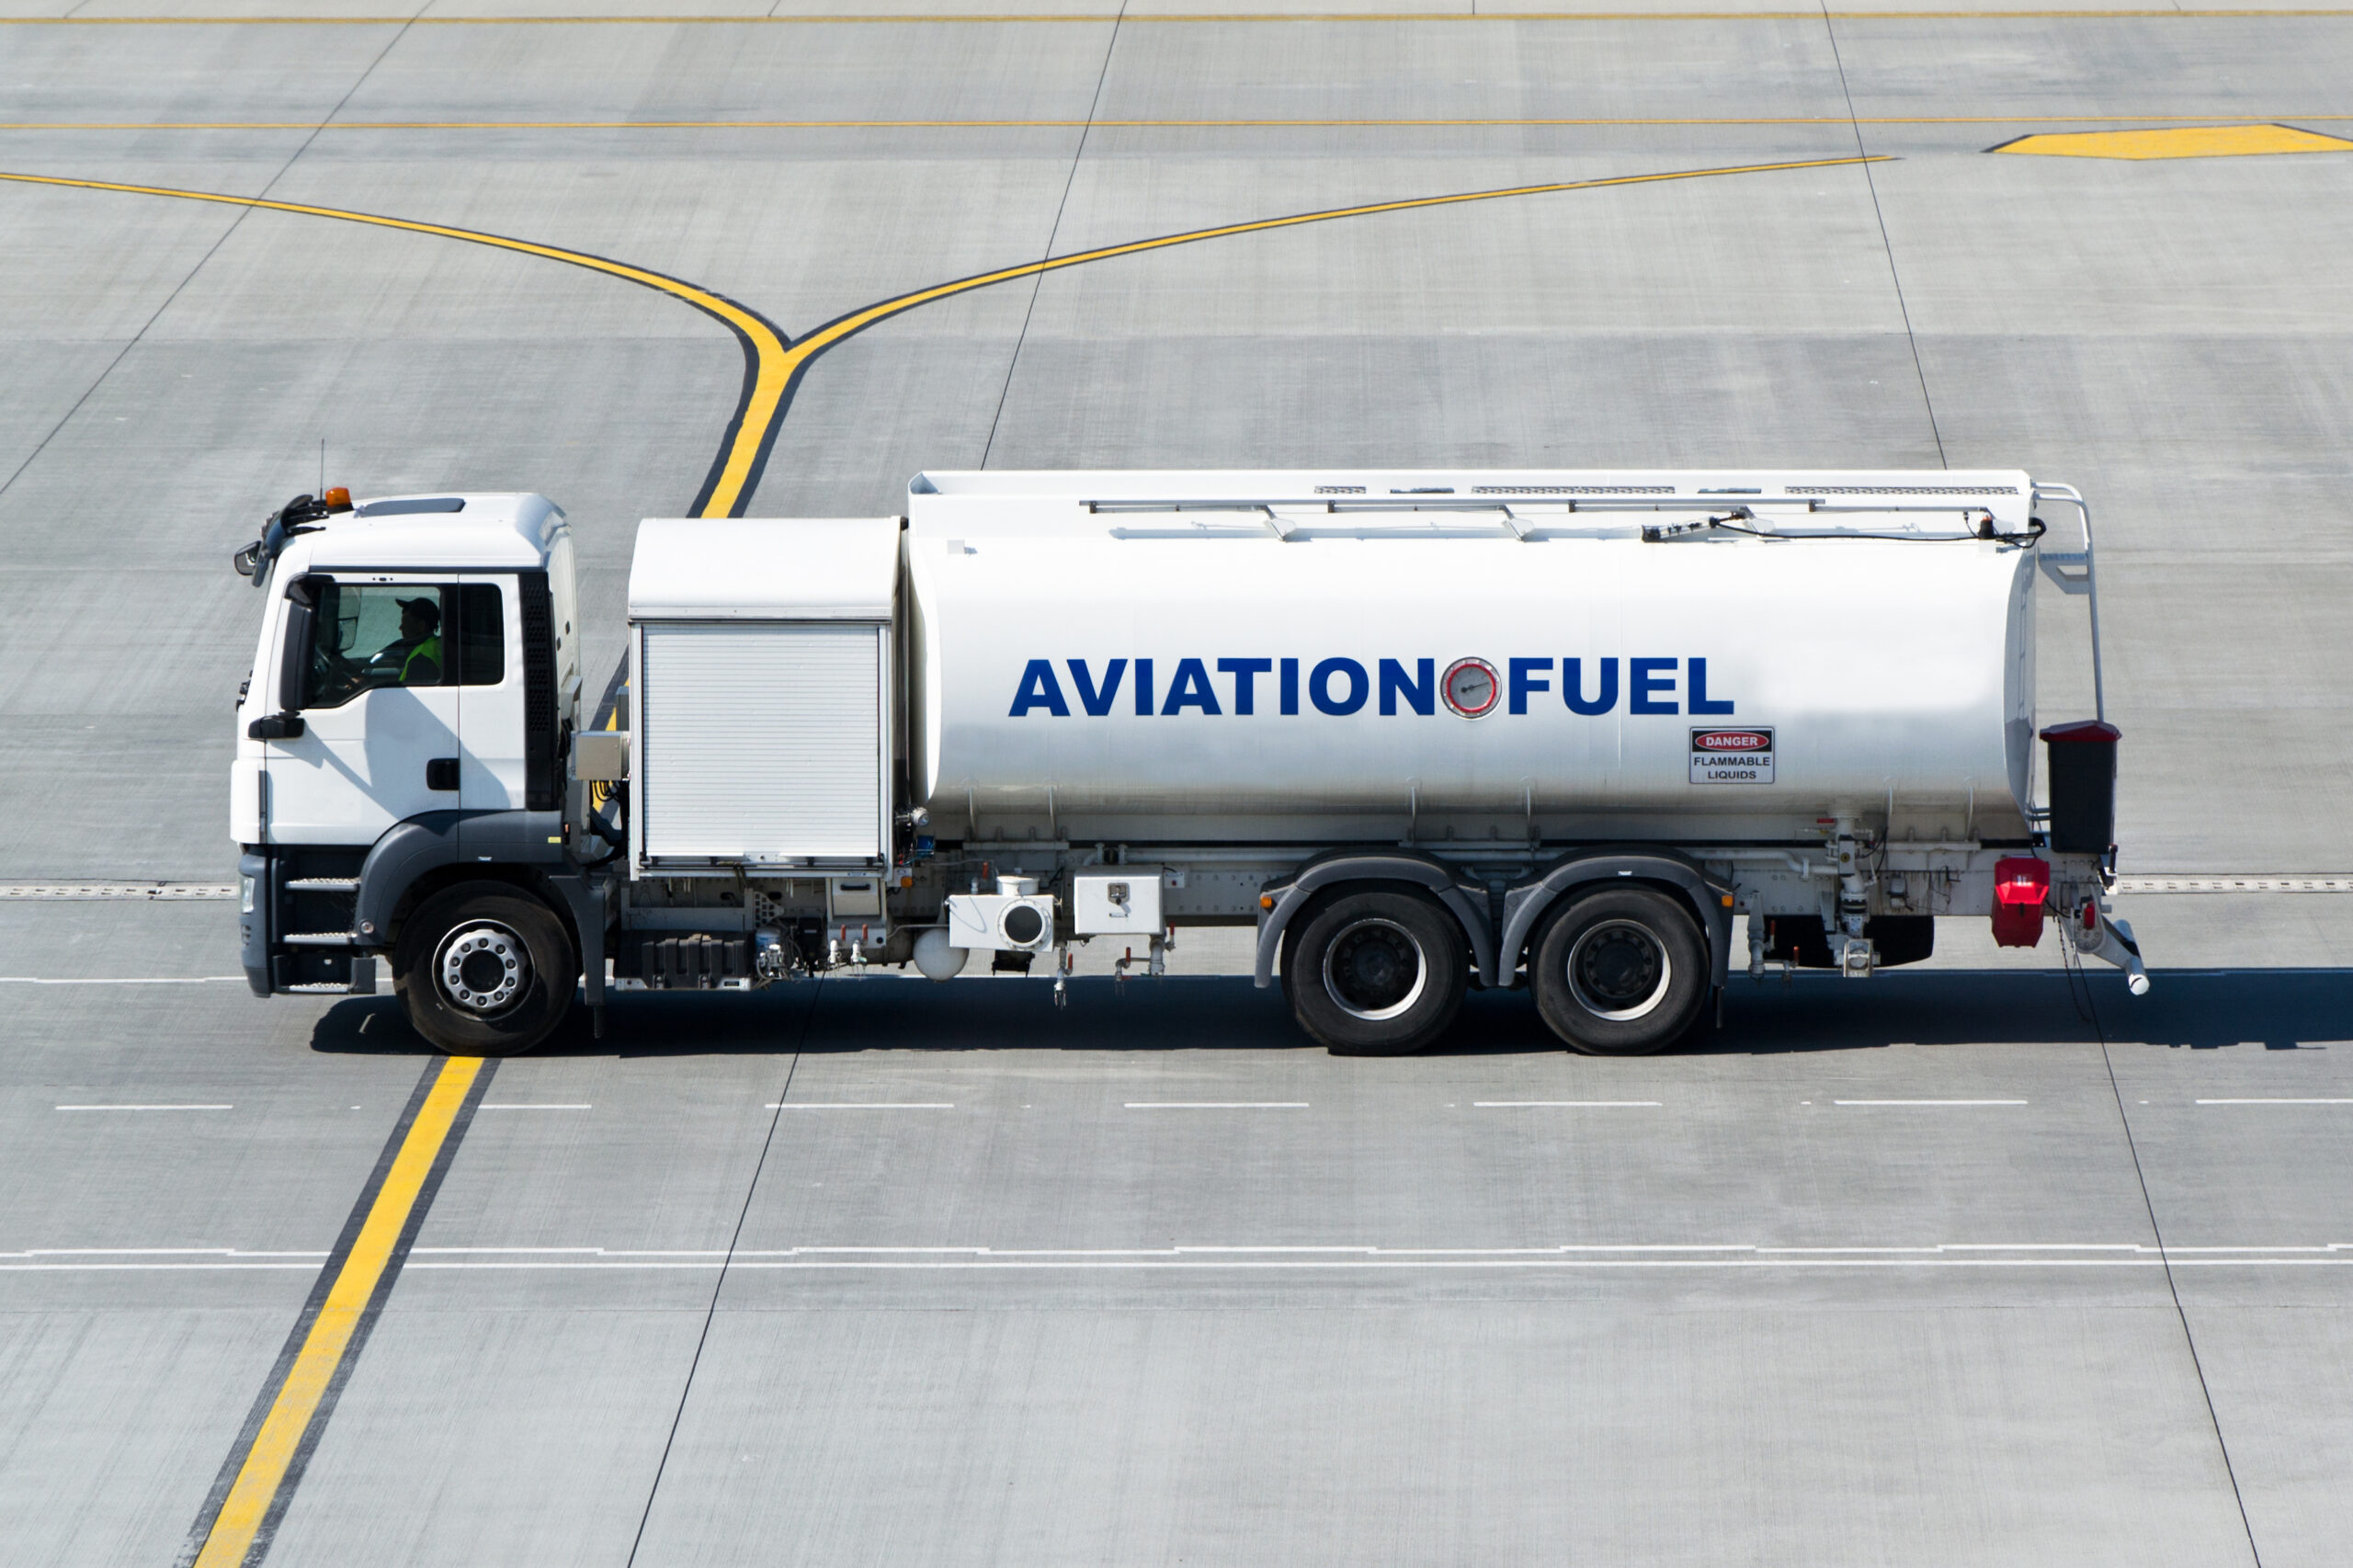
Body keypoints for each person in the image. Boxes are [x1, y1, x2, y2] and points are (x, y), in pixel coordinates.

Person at [366, 596, 444, 686]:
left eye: (405, 623)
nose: (400, 628)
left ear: (421, 626)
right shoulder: (437, 644)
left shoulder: (420, 659)